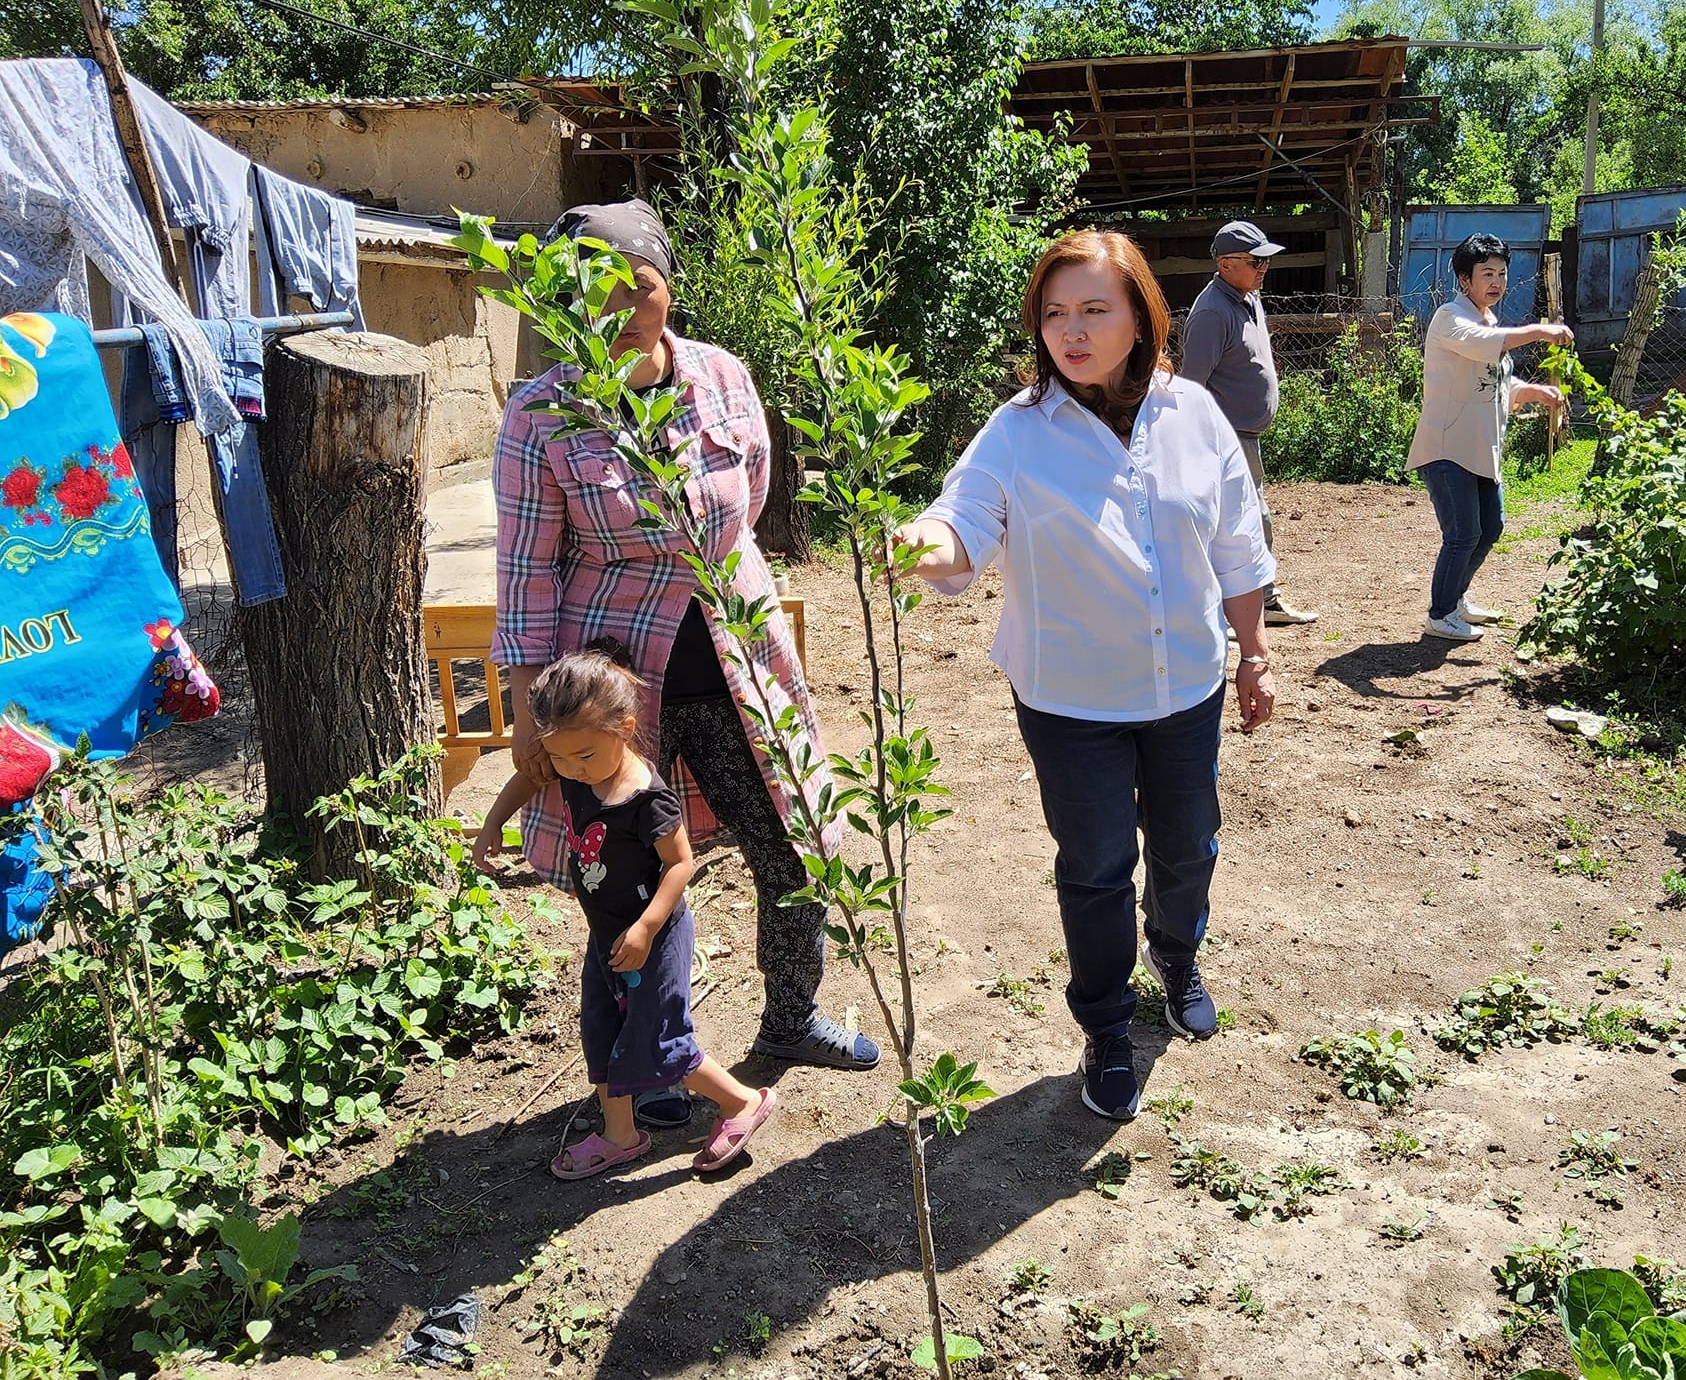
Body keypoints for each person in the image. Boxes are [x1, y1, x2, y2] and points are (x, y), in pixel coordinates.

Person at [489, 199, 878, 1115]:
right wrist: (528, 716)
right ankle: (653, 1058)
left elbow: (751, 497)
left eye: (640, 285)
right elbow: (527, 573)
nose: (619, 309)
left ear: (668, 284)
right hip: (617, 685)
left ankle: (793, 1017)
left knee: (794, 843)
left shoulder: (721, 377)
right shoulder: (541, 415)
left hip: (741, 659)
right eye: (591, 292)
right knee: (630, 876)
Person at [895, 230, 1276, 1123]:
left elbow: (1236, 545)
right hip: (1070, 701)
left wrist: (1255, 654)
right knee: (1098, 868)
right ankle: (1106, 1027)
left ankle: (1175, 952)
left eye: (1095, 310)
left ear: (1141, 319)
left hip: (1186, 686)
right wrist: (919, 543)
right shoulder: (1017, 432)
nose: (1071, 330)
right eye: (1055, 313)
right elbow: (964, 517)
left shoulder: (1194, 416)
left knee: (1189, 847)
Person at [475, 642, 775, 1179]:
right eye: (560, 756)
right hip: (608, 933)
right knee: (602, 1029)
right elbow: (530, 775)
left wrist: (645, 928)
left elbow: (680, 864)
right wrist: (494, 821)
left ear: (625, 728)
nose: (571, 769)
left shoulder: (646, 798)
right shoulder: (573, 761)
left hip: (653, 937)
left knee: (659, 1039)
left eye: (584, 756)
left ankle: (742, 1102)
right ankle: (620, 1135)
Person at [1406, 233, 1570, 643]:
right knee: (1463, 534)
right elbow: (1484, 347)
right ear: (1465, 279)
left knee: (1491, 526)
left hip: (1481, 447)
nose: (1496, 282)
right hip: (1447, 448)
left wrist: (1534, 392)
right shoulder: (1450, 318)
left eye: (1501, 273)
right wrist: (1540, 330)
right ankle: (1440, 615)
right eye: (1486, 274)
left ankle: (1455, 599)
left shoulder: (1488, 321)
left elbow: (1493, 381)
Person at [1178, 219, 1318, 627]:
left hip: (1244, 435)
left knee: (1243, 520)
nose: (1264, 268)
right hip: (1226, 437)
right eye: (1256, 261)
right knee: (1248, 521)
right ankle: (1254, 604)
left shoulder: (1247, 299)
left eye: (1265, 260)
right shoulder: (1211, 313)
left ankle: (1247, 605)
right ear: (1226, 264)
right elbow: (1192, 387)